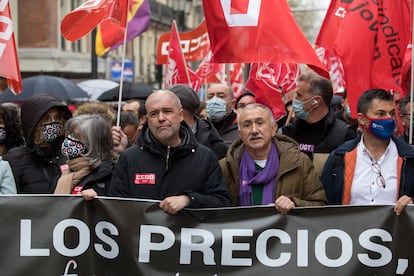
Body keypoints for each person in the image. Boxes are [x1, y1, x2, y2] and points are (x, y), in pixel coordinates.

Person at [108, 90, 232, 214]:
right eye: (154, 114)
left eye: (167, 111)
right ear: (147, 120)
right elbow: (114, 206)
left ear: (181, 115)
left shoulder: (205, 157)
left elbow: (222, 202)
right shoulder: (130, 158)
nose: (161, 118)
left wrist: (189, 199)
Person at [321, 89, 414, 216]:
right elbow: (323, 205)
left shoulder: (410, 158)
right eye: (381, 114)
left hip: (397, 234)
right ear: (362, 119)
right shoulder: (339, 158)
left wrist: (411, 205)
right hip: (350, 233)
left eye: (392, 114)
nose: (389, 119)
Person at [220, 103, 326, 214]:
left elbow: (320, 206)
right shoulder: (227, 166)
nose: (254, 130)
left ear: (273, 128)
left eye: (260, 123)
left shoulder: (299, 162)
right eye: (247, 125)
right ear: (240, 134)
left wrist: (294, 204)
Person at [281, 72, 357, 175]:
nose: (295, 100)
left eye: (299, 95)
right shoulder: (288, 133)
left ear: (316, 101)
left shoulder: (344, 134)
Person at [4, 94, 72, 193]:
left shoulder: (67, 154)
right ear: (33, 123)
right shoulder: (15, 159)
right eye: (46, 118)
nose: (53, 123)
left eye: (57, 118)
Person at [53, 114, 114, 197]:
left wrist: (97, 199)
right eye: (70, 135)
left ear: (93, 144)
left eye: (76, 136)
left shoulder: (109, 176)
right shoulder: (62, 174)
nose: (69, 140)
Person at [168, 84, 228, 160]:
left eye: (167, 110)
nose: (161, 117)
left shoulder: (213, 145)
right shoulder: (158, 138)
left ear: (181, 112)